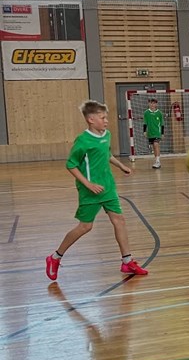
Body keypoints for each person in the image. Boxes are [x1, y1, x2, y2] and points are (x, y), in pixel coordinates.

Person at [45, 100, 149, 281]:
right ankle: (55, 257)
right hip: (90, 190)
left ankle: (127, 261)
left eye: (106, 117)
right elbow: (71, 165)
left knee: (119, 220)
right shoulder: (83, 141)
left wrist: (120, 166)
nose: (106, 121)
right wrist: (88, 184)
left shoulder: (106, 135)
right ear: (91, 119)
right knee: (85, 226)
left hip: (108, 187)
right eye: (102, 118)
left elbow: (106, 154)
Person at [142, 96, 164, 169]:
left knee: (156, 144)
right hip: (150, 133)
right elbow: (145, 123)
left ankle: (158, 161)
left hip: (157, 132)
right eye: (151, 103)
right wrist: (144, 131)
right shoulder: (146, 113)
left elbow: (162, 124)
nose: (152, 105)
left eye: (154, 103)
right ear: (149, 104)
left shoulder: (159, 113)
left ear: (156, 104)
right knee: (154, 147)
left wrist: (162, 133)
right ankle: (156, 161)